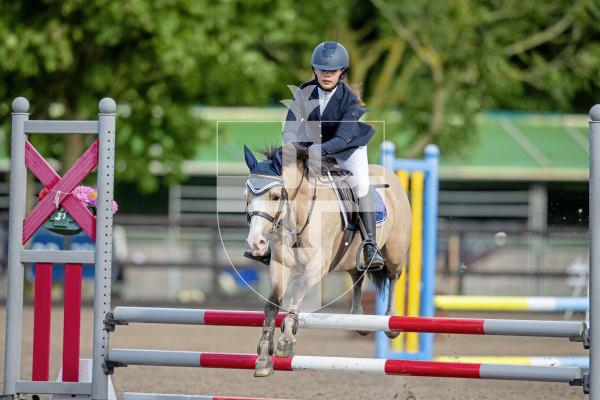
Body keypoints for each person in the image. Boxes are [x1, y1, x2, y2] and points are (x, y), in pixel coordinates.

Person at [245, 41, 384, 269]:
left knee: (359, 184)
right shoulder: (303, 91)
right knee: (283, 181)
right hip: (309, 145)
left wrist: (314, 152)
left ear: (342, 72)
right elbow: (290, 127)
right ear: (314, 70)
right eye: (322, 70)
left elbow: (341, 139)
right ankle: (268, 243)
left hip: (347, 147)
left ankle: (370, 245)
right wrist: (292, 150)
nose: (326, 75)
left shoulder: (348, 98)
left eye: (332, 70)